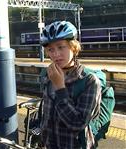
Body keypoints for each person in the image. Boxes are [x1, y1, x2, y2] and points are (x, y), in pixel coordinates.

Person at [38, 21, 102, 149]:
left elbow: (77, 124)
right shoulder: (48, 74)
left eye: (61, 47)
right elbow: (47, 113)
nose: (55, 54)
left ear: (73, 47)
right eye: (50, 49)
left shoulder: (89, 80)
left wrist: (60, 88)